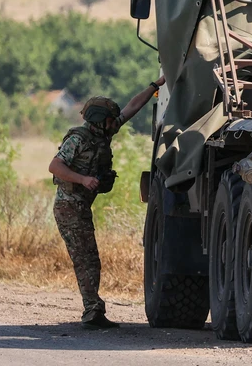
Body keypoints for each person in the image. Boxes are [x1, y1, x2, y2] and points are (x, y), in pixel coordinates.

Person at [48, 77, 165, 329]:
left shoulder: (104, 132)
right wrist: (83, 179)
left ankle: (93, 309)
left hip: (80, 205)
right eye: (111, 120)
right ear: (100, 121)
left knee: (89, 257)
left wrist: (156, 86)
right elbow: (55, 166)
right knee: (86, 258)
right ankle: (92, 311)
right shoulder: (78, 139)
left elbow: (132, 107)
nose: (115, 123)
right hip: (69, 206)